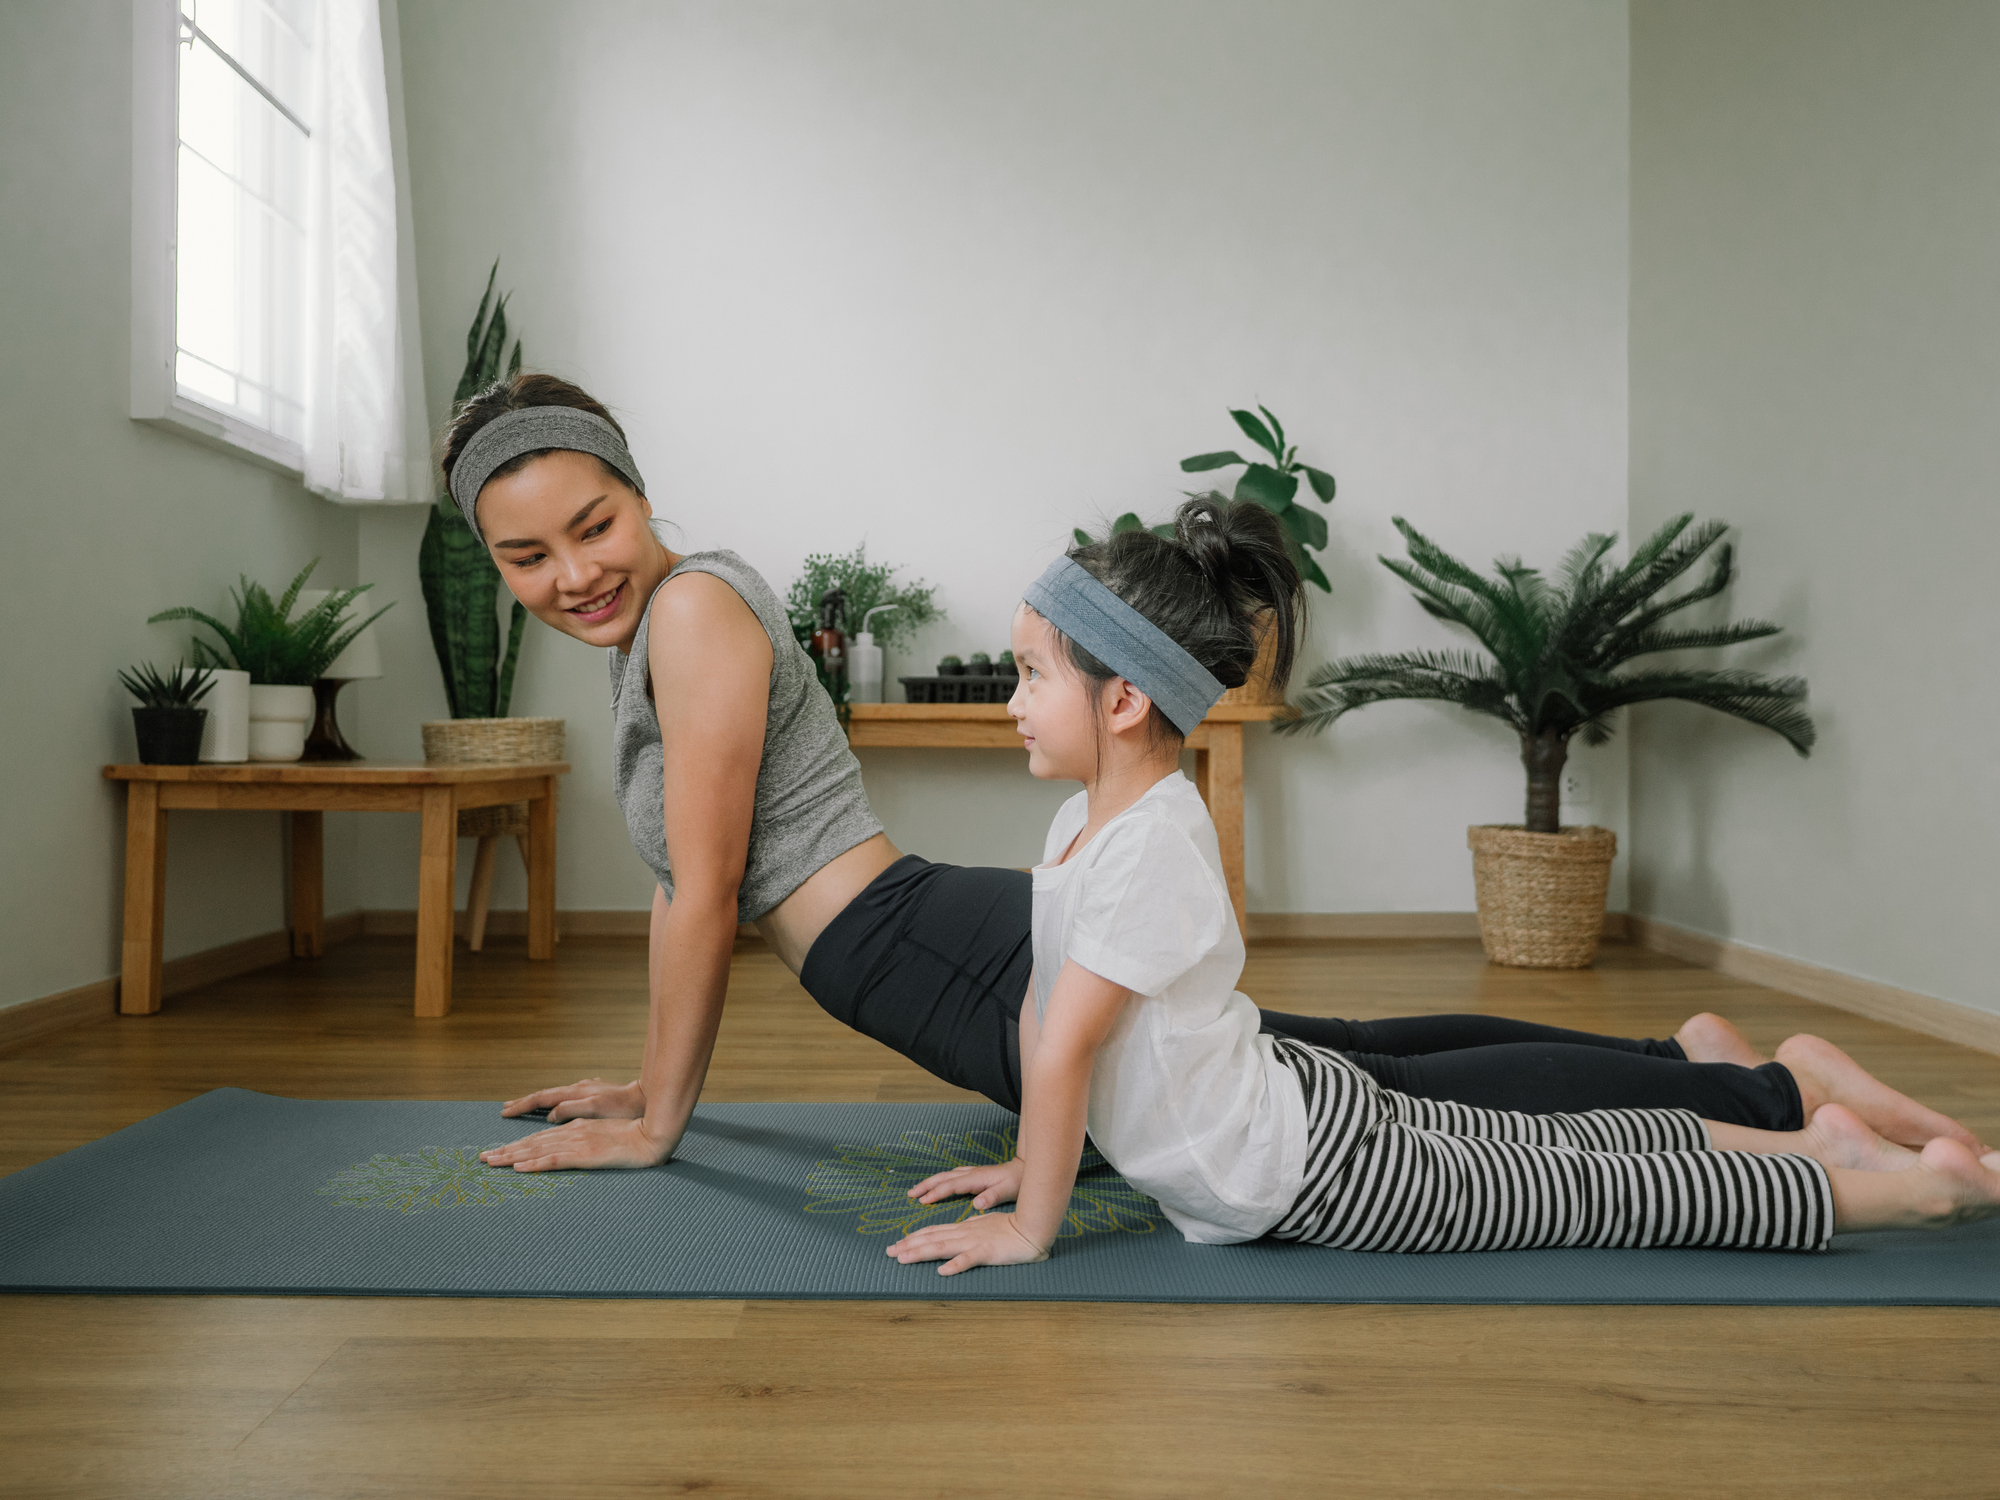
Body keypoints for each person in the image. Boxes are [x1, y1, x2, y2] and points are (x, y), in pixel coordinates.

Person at [439, 373, 1976, 1176]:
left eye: (594, 524)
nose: (573, 570)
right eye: (526, 555)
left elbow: (708, 891)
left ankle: (1770, 1092)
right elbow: (689, 883)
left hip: (926, 951)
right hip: (920, 946)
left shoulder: (697, 606)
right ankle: (1696, 1069)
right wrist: (648, 1079)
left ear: (642, 495)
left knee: (1351, 1089)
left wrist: (661, 1129)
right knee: (1337, 1053)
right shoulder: (660, 626)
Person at [887, 498, 2000, 1273]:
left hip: (1302, 1169)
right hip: (1290, 1112)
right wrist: (1025, 1160)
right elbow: (1045, 1018)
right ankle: (1819, 1144)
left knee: (1580, 1192)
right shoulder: (1083, 818)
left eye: (1032, 673)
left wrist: (1032, 1228)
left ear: (1123, 701)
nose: (1012, 698)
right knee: (1563, 1148)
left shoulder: (1147, 845)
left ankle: (1895, 1189)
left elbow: (1069, 1043)